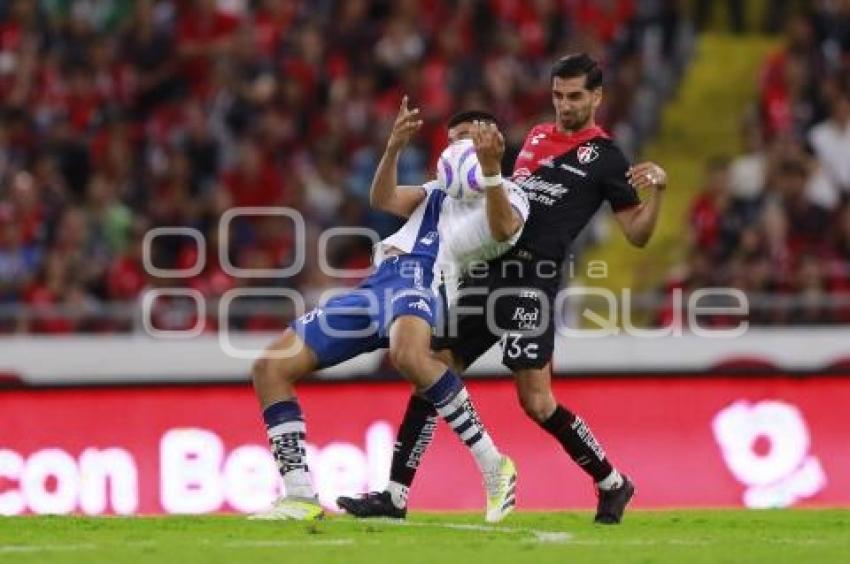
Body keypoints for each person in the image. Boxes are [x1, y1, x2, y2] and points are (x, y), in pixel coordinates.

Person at [338, 53, 668, 525]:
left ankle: (612, 483)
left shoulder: (608, 157)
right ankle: (394, 495)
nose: (565, 106)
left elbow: (636, 233)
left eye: (575, 96)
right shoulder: (534, 136)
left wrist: (658, 191)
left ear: (597, 96)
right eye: (558, 95)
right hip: (490, 268)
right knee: (432, 369)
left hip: (533, 279)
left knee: (535, 401)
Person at [251, 97, 529, 522]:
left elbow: (504, 228)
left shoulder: (510, 193)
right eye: (452, 141)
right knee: (271, 367)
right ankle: (300, 495)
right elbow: (382, 199)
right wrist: (394, 148)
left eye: (469, 140)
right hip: (378, 281)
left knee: (409, 356)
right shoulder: (435, 192)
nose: (457, 149)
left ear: (492, 143)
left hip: (427, 276)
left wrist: (490, 171)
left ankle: (494, 465)